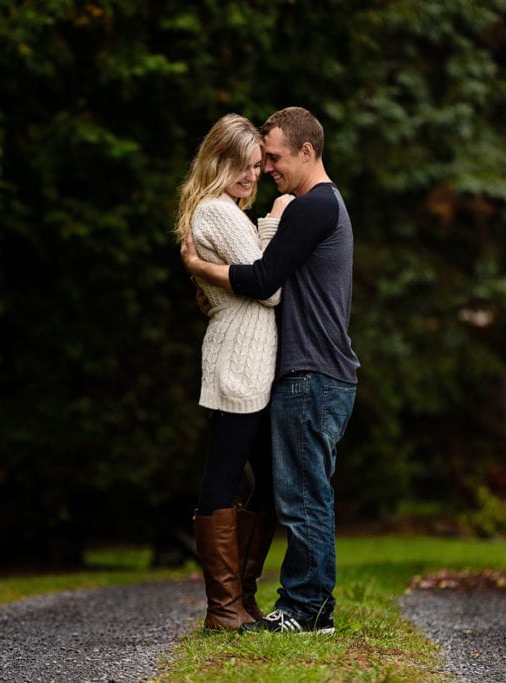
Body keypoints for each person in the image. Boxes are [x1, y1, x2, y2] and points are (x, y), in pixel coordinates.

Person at [181, 106, 360, 634]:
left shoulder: (311, 207)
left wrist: (200, 268)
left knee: (304, 497)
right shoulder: (318, 205)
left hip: (311, 371)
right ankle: (295, 607)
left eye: (273, 159)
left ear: (308, 151)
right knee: (301, 492)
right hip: (304, 369)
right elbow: (261, 276)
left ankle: (303, 609)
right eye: (259, 162)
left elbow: (262, 280)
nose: (267, 170)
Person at [176, 113, 293, 631]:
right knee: (223, 481)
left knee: (265, 481)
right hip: (238, 363)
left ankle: (240, 601)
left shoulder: (225, 212)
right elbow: (269, 287)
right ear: (218, 162)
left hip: (250, 361)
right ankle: (225, 608)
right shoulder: (217, 213)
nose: (252, 177)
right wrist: (273, 223)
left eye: (256, 166)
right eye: (243, 167)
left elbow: (254, 279)